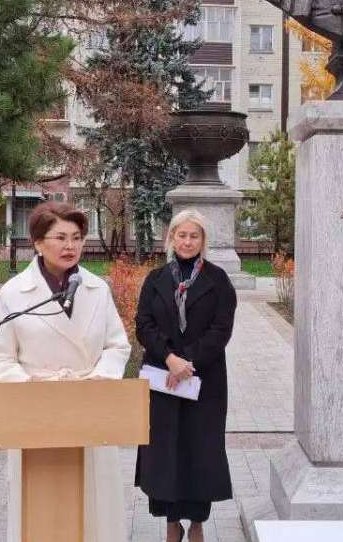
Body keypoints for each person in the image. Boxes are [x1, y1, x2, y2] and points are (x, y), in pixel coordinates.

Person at [0, 201, 131, 542]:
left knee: (96, 509)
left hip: (89, 409)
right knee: (41, 514)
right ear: (37, 242)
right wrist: (30, 384)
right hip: (37, 414)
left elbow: (117, 345)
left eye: (77, 237)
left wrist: (101, 378)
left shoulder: (97, 289)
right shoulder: (15, 293)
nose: (70, 246)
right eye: (60, 237)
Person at [134, 210, 237, 542]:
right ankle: (171, 521)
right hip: (163, 379)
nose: (187, 241)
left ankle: (197, 521)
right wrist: (169, 357)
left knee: (199, 451)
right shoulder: (155, 279)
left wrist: (188, 362)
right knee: (164, 452)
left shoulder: (218, 280)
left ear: (203, 241)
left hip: (202, 382)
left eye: (194, 236)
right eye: (182, 235)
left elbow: (221, 329)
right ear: (171, 238)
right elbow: (144, 325)